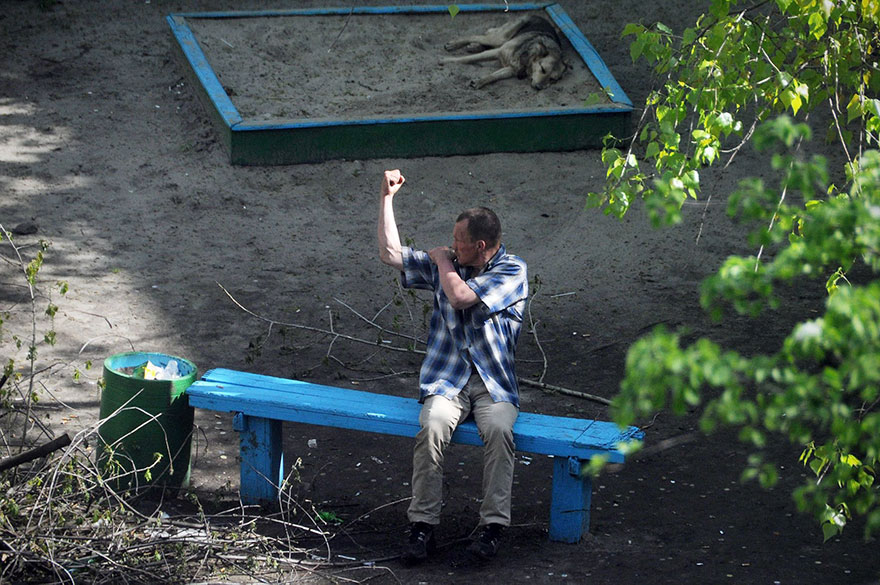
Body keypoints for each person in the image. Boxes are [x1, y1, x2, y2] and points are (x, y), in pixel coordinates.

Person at [377, 169, 529, 563]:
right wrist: (386, 200)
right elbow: (390, 254)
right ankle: (422, 525)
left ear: (481, 246)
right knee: (432, 425)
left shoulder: (512, 272)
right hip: (448, 381)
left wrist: (443, 262)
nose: (451, 246)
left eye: (458, 243)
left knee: (498, 430)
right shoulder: (453, 265)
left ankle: (493, 527)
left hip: (492, 384)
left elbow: (461, 298)